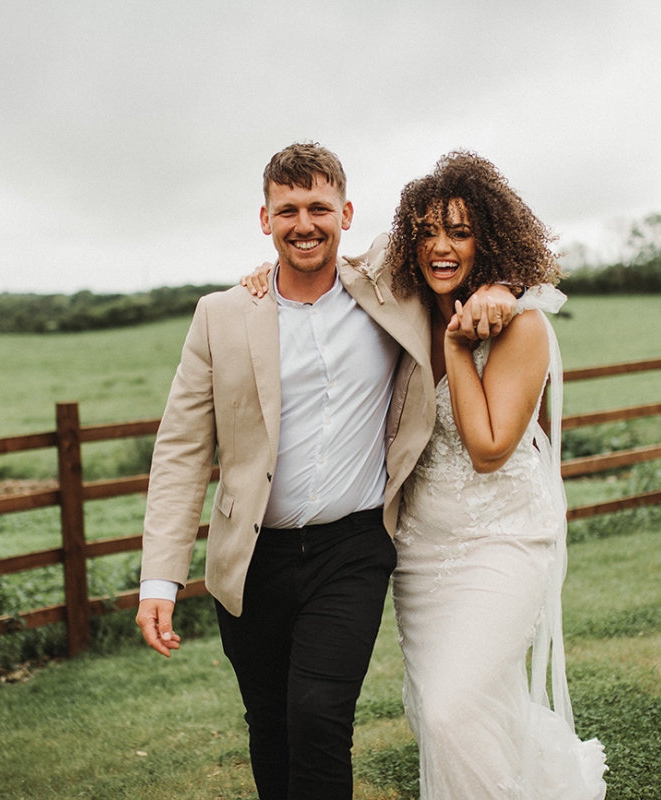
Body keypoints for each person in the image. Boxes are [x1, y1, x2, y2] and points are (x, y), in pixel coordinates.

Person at [134, 142, 519, 800]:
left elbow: (469, 255)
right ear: (264, 220)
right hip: (251, 555)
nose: (304, 223)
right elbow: (181, 450)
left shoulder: (391, 290)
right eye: (288, 211)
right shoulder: (219, 316)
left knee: (318, 717)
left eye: (318, 207)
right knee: (271, 725)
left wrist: (498, 287)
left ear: (345, 212)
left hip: (353, 548)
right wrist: (159, 581)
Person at [384, 151, 607, 799]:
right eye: (425, 232)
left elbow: (487, 447)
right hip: (421, 551)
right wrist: (267, 272)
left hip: (503, 541)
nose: (440, 246)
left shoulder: (522, 325)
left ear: (490, 237)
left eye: (458, 230)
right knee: (445, 715)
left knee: (455, 706)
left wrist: (459, 343)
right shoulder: (409, 309)